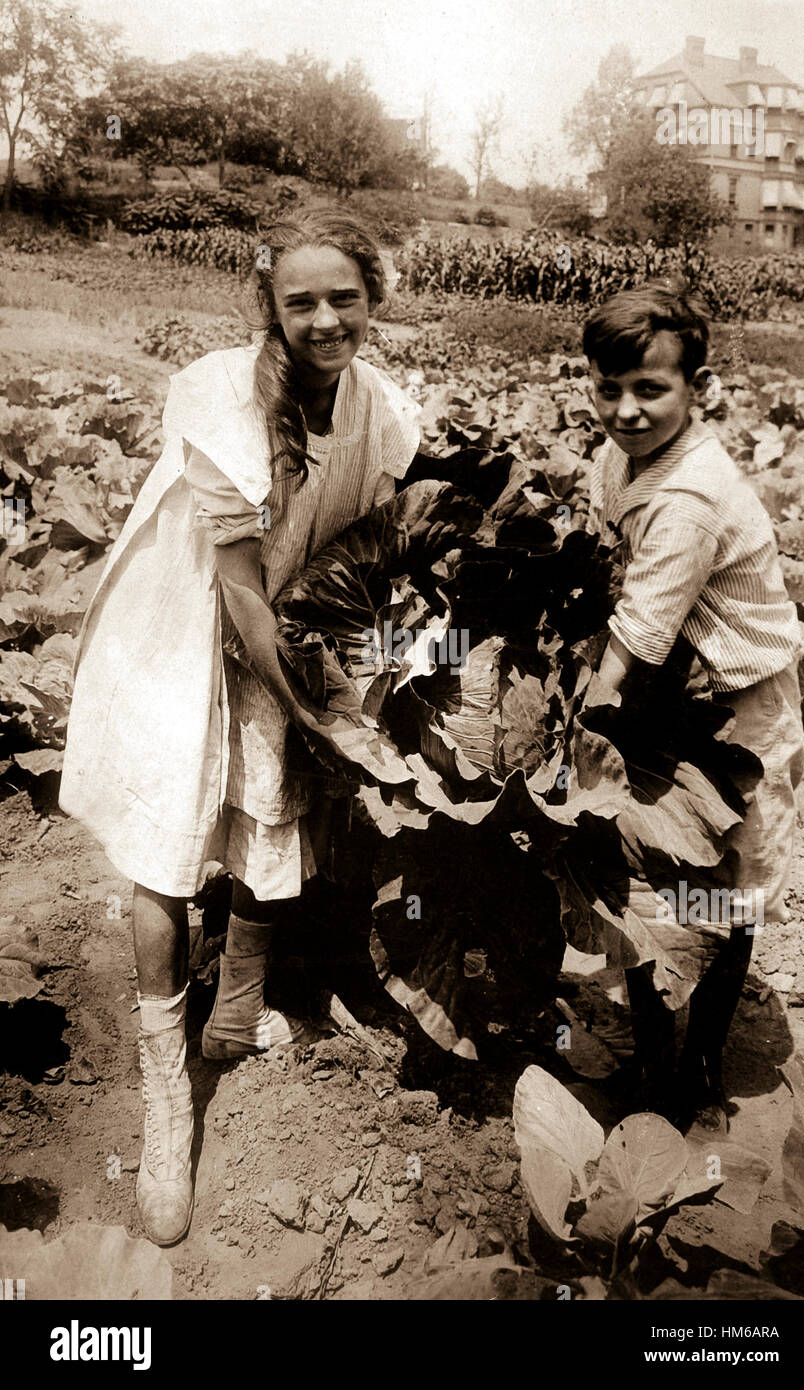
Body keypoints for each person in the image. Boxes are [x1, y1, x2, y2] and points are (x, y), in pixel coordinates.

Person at [59, 209, 421, 1246]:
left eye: (342, 298)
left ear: (373, 298)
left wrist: (370, 673)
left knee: (275, 810)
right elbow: (240, 593)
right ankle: (167, 1090)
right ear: (267, 303)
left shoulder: (385, 412)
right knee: (169, 854)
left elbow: (376, 554)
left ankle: (237, 1006)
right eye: (299, 299)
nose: (323, 319)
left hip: (293, 627)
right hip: (186, 624)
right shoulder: (218, 396)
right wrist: (321, 706)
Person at [581, 283, 804, 1132]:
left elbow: (632, 642)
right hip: (674, 696)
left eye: (651, 390)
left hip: (740, 710)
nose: (628, 410)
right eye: (610, 388)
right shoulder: (621, 459)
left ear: (697, 388)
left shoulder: (689, 497)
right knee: (647, 871)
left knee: (730, 882)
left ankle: (700, 1063)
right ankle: (651, 1050)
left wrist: (572, 747)